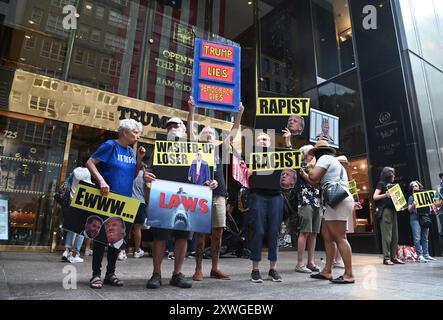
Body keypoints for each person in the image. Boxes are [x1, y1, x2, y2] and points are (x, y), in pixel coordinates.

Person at [144, 113, 218, 289]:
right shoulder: (160, 148)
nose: (172, 129)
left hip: (188, 196)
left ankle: (177, 274)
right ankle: (156, 274)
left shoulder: (195, 148)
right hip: (164, 195)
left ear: (185, 131)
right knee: (160, 237)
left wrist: (211, 182)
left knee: (182, 236)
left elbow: (205, 175)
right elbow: (150, 171)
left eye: (176, 126)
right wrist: (146, 175)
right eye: (169, 127)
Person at [187, 96, 244, 281]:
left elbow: (234, 132)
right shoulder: (196, 149)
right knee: (201, 231)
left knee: (218, 231)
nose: (209, 135)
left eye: (212, 134)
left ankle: (215, 267)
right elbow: (190, 129)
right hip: (201, 194)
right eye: (206, 133)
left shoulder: (219, 150)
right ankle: (198, 269)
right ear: (200, 137)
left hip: (219, 194)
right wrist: (192, 110)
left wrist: (240, 114)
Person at [86, 118, 145, 289]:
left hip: (124, 200)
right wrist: (102, 180)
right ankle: (95, 274)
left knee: (117, 239)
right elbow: (90, 162)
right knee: (101, 238)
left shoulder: (130, 152)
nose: (137, 136)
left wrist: (139, 158)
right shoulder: (110, 145)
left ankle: (110, 273)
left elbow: (132, 176)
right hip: (107, 198)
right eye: (135, 132)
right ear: (125, 132)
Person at [308, 140, 355, 284]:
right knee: (327, 236)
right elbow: (316, 184)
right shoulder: (333, 161)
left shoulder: (324, 159)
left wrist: (310, 168)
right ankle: (327, 271)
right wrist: (304, 174)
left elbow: (314, 177)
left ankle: (349, 274)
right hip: (336, 200)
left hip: (337, 201)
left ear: (317, 153)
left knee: (340, 237)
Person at [248, 132, 284, 283]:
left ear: (270, 142)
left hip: (276, 196)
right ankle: (255, 270)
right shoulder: (252, 156)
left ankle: (272, 269)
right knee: (259, 230)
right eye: (260, 139)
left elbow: (290, 161)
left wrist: (288, 141)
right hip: (258, 195)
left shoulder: (278, 156)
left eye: (266, 139)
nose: (263, 141)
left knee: (274, 232)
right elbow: (247, 175)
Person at [294, 145, 322, 274]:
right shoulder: (301, 165)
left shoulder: (317, 166)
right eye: (311, 152)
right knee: (305, 231)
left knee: (314, 233)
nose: (313, 154)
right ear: (305, 154)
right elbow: (310, 180)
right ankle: (300, 263)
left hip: (317, 201)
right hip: (305, 200)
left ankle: (311, 262)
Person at [61, 153, 92, 263]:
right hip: (82, 204)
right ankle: (76, 253)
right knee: (81, 230)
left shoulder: (76, 170)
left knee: (71, 228)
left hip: (72, 202)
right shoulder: (89, 173)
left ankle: (66, 251)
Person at [373, 167, 405, 265]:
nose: (394, 176)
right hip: (386, 210)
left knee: (395, 235)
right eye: (393, 174)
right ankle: (386, 258)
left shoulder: (393, 185)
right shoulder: (381, 184)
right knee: (387, 235)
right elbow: (375, 196)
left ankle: (393, 257)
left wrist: (401, 205)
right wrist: (385, 195)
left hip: (393, 210)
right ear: (389, 174)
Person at [333, 155, 361, 268]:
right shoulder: (336, 176)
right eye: (342, 164)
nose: (344, 166)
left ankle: (338, 259)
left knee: (342, 234)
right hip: (337, 207)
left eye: (345, 164)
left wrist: (354, 203)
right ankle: (336, 260)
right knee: (338, 235)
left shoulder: (345, 178)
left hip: (344, 207)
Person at [407, 180, 436, 262]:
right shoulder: (411, 197)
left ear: (419, 186)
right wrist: (413, 204)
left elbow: (431, 207)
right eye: (412, 186)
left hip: (424, 217)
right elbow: (409, 209)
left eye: (415, 185)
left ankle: (426, 255)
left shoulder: (425, 195)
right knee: (417, 238)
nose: (414, 187)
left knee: (425, 238)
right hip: (415, 218)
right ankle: (419, 255)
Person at [131, 164, 149, 258]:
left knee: (125, 227)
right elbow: (147, 189)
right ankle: (137, 250)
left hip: (129, 201)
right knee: (137, 229)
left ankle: (122, 251)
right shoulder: (145, 175)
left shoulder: (131, 174)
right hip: (140, 202)